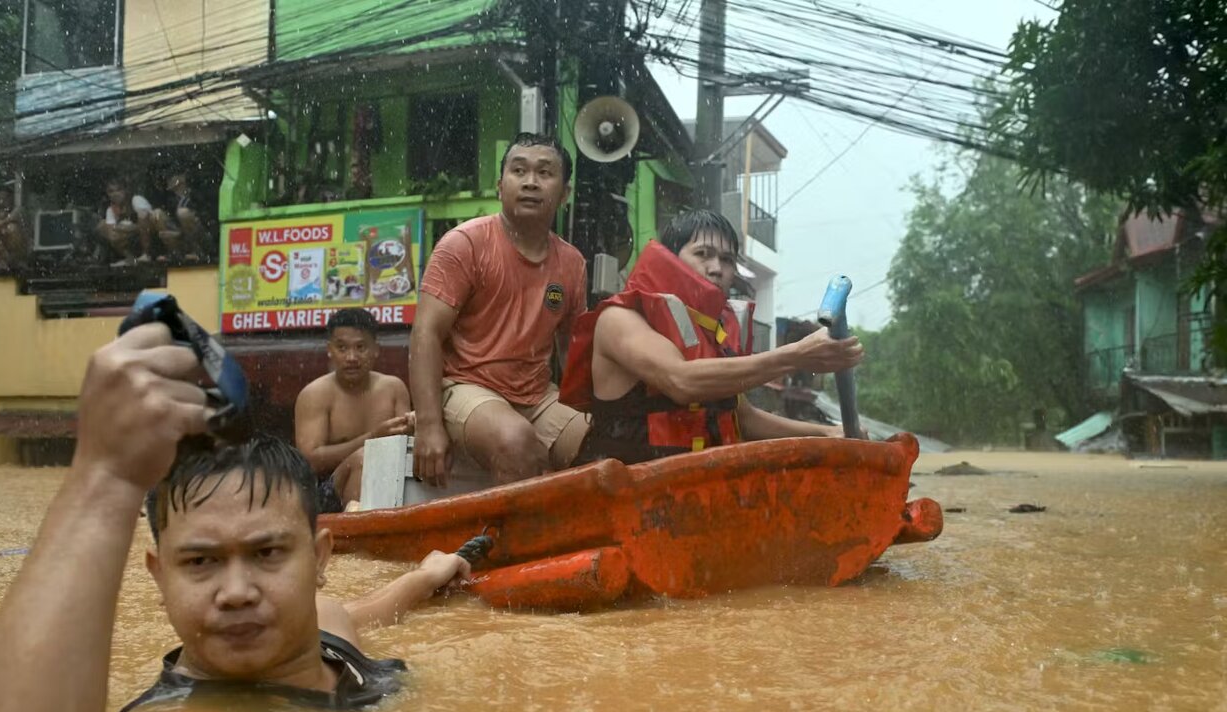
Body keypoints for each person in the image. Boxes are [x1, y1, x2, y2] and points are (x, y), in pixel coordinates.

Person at [0, 322, 470, 712]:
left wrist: (425, 576)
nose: (237, 591)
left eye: (267, 553)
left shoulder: (326, 626)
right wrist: (103, 478)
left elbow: (355, 612)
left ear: (318, 559)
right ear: (159, 576)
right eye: (200, 563)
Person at [560, 210, 865, 465]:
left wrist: (827, 433)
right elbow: (682, 381)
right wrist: (795, 356)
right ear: (670, 259)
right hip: (624, 495)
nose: (717, 268)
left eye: (727, 259)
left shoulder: (716, 333)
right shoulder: (621, 319)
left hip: (692, 494)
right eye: (703, 254)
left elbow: (743, 418)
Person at [410, 132, 589, 487]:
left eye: (544, 173)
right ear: (499, 185)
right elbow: (425, 333)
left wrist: (596, 411)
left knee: (600, 442)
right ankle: (515, 543)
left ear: (565, 193)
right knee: (514, 441)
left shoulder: (572, 263)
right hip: (465, 385)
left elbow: (575, 351)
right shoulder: (464, 244)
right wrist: (428, 425)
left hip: (537, 395)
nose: (530, 183)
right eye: (518, 171)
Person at [295, 308, 413, 512]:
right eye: (342, 348)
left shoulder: (393, 388)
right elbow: (310, 461)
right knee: (362, 460)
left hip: (388, 484)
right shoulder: (314, 394)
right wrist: (372, 438)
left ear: (375, 349)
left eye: (360, 347)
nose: (351, 357)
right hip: (325, 495)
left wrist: (415, 426)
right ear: (329, 349)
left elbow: (407, 449)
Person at [96, 178, 157, 265]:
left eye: (118, 190)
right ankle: (130, 259)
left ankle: (146, 255)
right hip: (130, 239)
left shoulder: (136, 200)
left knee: (143, 217)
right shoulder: (110, 210)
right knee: (102, 226)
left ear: (126, 191)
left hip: (150, 239)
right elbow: (112, 233)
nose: (115, 194)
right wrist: (123, 229)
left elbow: (148, 223)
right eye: (111, 191)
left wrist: (126, 228)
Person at [154, 171, 210, 263]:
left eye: (171, 176)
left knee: (183, 213)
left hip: (201, 239)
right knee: (157, 214)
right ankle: (174, 253)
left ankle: (197, 252)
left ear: (182, 178)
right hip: (181, 237)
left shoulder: (196, 196)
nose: (168, 180)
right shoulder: (169, 199)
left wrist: (179, 234)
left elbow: (204, 224)